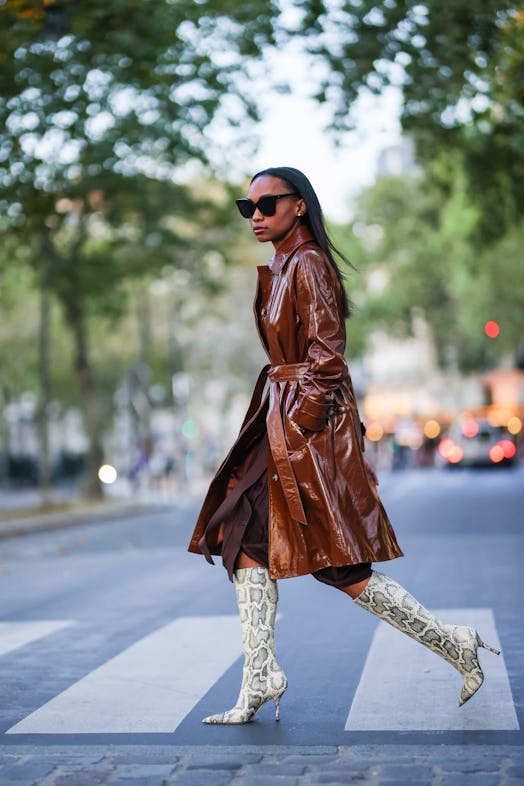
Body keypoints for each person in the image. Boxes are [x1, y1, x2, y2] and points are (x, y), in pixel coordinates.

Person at [187, 166, 499, 725]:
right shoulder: (284, 265)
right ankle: (260, 676)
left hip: (306, 427)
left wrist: (302, 426)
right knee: (245, 538)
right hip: (281, 419)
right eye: (247, 207)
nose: (255, 216)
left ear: (299, 206)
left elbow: (328, 354)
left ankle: (454, 643)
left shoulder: (307, 264)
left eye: (267, 204)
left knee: (340, 567)